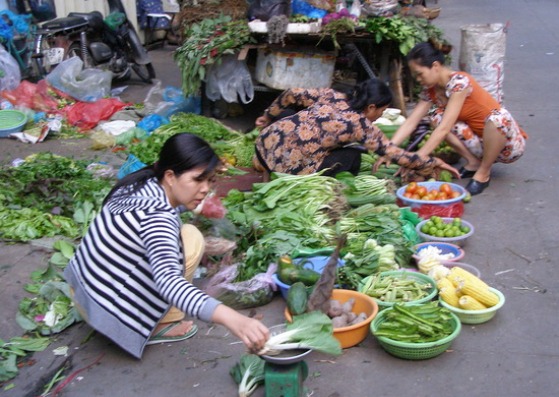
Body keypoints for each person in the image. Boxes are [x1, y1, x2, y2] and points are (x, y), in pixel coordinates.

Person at [64, 133, 269, 359]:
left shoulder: (141, 183)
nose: (204, 189)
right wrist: (234, 319)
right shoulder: (158, 220)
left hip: (83, 290)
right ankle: (162, 322)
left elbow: (171, 206)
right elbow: (169, 283)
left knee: (184, 236)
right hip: (107, 311)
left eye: (209, 180)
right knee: (191, 239)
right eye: (197, 180)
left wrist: (198, 207)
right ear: (170, 176)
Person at [386, 41, 527, 195]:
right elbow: (411, 122)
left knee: (499, 117)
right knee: (436, 116)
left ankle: (484, 173)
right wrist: (388, 149)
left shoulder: (459, 82)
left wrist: (419, 157)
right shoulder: (431, 91)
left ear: (435, 66)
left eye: (420, 74)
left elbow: (445, 128)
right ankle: (473, 162)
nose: (418, 79)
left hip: (508, 146)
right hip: (480, 144)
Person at [253, 78, 459, 181]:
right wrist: (434, 162)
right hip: (284, 172)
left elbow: (291, 93)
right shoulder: (360, 126)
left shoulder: (332, 95)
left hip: (262, 149)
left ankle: (263, 160)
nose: (380, 115)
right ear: (371, 107)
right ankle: (337, 185)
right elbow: (398, 155)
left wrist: (268, 115)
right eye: (382, 110)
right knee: (353, 155)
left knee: (288, 116)